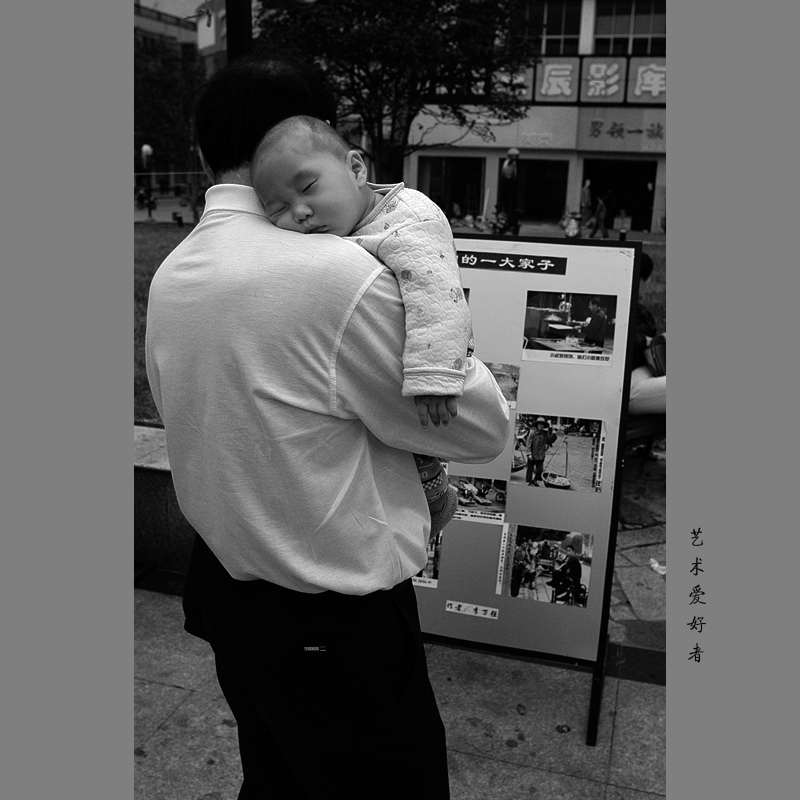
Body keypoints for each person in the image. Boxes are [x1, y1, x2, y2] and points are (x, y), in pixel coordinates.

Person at [145, 53, 511, 800]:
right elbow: (480, 428)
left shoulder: (172, 273)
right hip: (333, 622)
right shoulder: (334, 273)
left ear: (205, 153)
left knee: (276, 779)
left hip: (227, 595)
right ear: (306, 128)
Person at [251, 115, 473, 532]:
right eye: (278, 209)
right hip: (382, 365)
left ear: (356, 168)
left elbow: (437, 296)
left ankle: (434, 501)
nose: (300, 212)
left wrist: (434, 374)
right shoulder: (346, 225)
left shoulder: (410, 219)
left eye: (308, 188)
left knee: (419, 446)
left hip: (430, 359)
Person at [629, 252, 666, 415]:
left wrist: (659, 341)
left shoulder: (641, 312)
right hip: (625, 386)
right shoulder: (606, 305)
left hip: (646, 370)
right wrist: (645, 340)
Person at [525, 417, 550, 486]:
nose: (541, 426)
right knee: (530, 469)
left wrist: (554, 434)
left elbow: (550, 441)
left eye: (542, 425)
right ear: (537, 425)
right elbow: (528, 444)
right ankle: (529, 482)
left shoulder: (545, 434)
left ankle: (535, 480)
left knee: (540, 470)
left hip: (540, 455)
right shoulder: (532, 433)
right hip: (532, 455)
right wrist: (529, 454)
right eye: (540, 424)